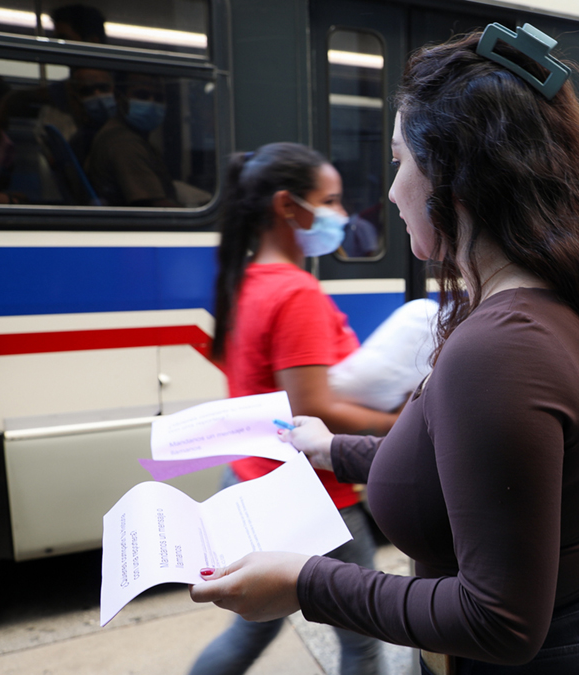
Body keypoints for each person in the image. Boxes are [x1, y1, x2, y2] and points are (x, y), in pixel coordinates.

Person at [189, 27, 579, 675]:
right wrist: (331, 445)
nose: (390, 192)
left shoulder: (499, 350)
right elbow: (469, 465)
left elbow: (497, 620)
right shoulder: (558, 301)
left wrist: (304, 581)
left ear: (452, 172)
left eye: (398, 161)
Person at [187, 142, 399, 675]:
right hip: (311, 497)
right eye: (331, 201)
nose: (342, 216)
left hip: (248, 480)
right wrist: (400, 427)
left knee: (248, 632)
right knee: (364, 639)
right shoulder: (297, 292)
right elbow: (310, 410)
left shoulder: (246, 280)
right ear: (287, 206)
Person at [84, 71, 180, 207]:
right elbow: (158, 207)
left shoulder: (133, 137)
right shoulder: (124, 143)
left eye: (158, 98)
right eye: (142, 95)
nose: (151, 103)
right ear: (118, 97)